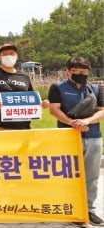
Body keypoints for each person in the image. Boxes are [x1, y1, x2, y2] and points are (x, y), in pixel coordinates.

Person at [48, 57, 104, 226]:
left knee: (92, 176)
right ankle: (71, 209)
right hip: (68, 136)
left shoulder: (96, 89)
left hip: (93, 136)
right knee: (69, 175)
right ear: (68, 71)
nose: (81, 74)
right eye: (76, 71)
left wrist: (86, 121)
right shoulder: (57, 88)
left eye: (84, 71)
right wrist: (72, 122)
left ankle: (89, 210)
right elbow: (54, 109)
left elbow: (101, 111)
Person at [0, 43, 48, 130]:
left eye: (12, 54)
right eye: (4, 54)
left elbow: (31, 100)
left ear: (17, 56)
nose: (8, 56)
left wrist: (42, 104)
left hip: (24, 127)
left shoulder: (25, 77)